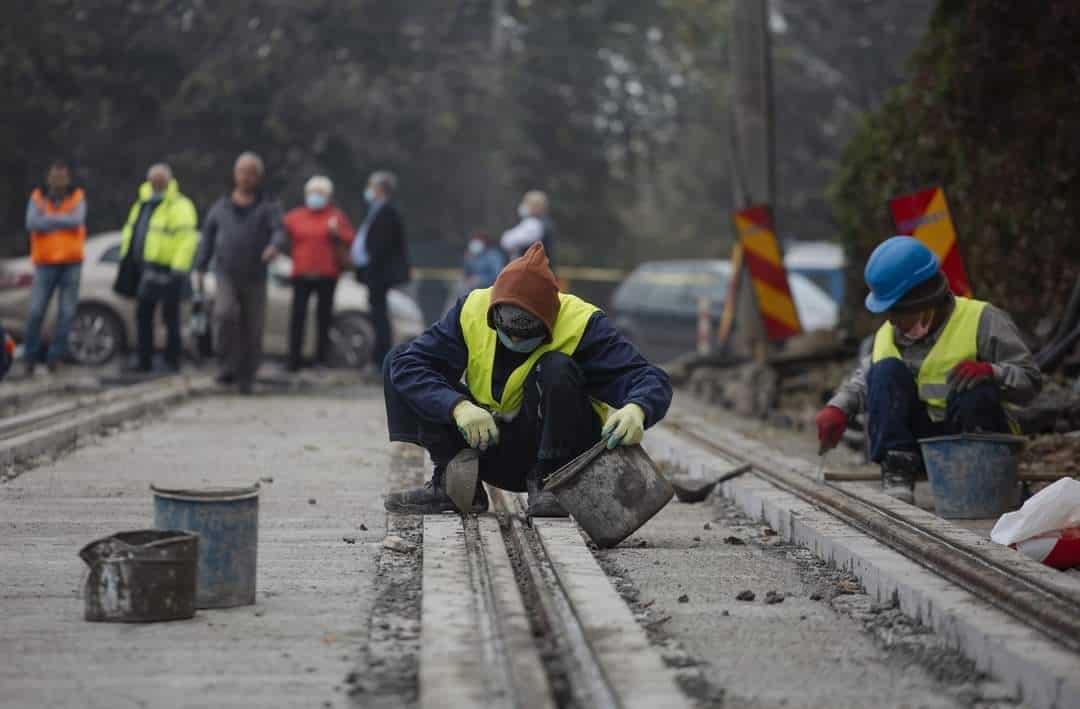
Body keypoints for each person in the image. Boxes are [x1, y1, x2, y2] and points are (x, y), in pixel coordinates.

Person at [383, 242, 672, 517]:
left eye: (527, 334)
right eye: (508, 330)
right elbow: (411, 365)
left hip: (567, 458)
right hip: (488, 443)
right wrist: (458, 407)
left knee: (555, 366)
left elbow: (650, 377)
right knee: (398, 358)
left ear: (549, 320)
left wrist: (638, 408)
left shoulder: (582, 324)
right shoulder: (472, 310)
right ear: (494, 312)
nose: (516, 339)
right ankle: (454, 482)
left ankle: (549, 484)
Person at [816, 236, 1041, 502]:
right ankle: (898, 468)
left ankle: (977, 480)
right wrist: (838, 408)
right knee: (885, 371)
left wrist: (993, 373)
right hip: (921, 450)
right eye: (887, 312)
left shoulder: (983, 320)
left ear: (924, 300)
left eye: (897, 311)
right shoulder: (888, 336)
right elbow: (862, 382)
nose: (892, 320)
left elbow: (1030, 382)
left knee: (976, 389)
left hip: (978, 445)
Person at [194, 152, 285, 393]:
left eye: (252, 173)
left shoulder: (269, 206)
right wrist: (201, 267)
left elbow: (279, 231)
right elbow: (207, 238)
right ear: (236, 175)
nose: (247, 177)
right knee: (225, 314)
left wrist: (273, 247)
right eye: (243, 172)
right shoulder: (220, 207)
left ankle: (247, 377)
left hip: (255, 274)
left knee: (252, 327)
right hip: (226, 272)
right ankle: (226, 368)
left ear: (258, 177)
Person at [118, 164, 199, 372]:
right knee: (143, 315)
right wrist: (127, 260)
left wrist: (179, 268)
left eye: (161, 180)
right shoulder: (142, 203)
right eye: (153, 180)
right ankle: (144, 361)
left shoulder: (179, 205)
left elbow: (187, 239)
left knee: (170, 317)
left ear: (168, 181)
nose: (157, 184)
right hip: (145, 268)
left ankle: (172, 361)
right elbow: (133, 232)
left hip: (168, 269)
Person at [276, 175, 355, 372]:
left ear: (328, 196)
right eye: (312, 193)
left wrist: (337, 234)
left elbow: (350, 239)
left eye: (320, 194)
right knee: (298, 317)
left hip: (327, 275)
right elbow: (279, 234)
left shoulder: (336, 217)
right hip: (301, 274)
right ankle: (293, 360)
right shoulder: (295, 216)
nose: (315, 197)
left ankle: (321, 359)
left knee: (324, 318)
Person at [22, 160, 87, 375]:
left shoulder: (77, 195)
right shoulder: (37, 196)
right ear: (48, 177)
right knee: (35, 312)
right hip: (45, 263)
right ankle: (29, 358)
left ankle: (55, 358)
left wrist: (48, 219)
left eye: (62, 176)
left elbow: (77, 221)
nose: (58, 180)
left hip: (71, 263)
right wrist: (62, 219)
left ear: (68, 178)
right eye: (54, 176)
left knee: (67, 313)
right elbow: (32, 223)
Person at [351, 170, 409, 372]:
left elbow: (381, 247)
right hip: (372, 274)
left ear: (381, 190)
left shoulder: (387, 212)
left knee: (380, 315)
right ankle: (378, 357)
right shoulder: (375, 211)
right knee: (376, 314)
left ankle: (380, 358)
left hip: (378, 274)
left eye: (372, 187)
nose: (368, 191)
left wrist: (370, 270)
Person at [500, 190, 553, 261]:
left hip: (531, 269)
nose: (523, 206)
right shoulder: (542, 222)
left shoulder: (534, 224)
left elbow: (508, 241)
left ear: (536, 206)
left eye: (526, 203)